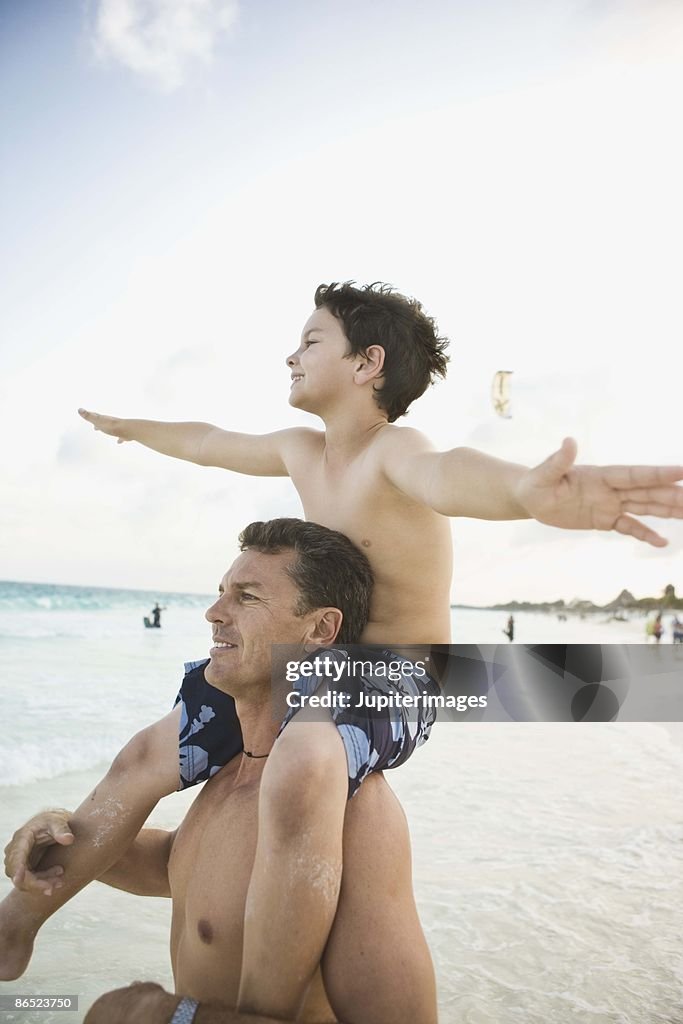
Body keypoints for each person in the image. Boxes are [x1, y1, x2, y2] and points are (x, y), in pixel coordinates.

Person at [5, 282, 683, 1017]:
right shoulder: (300, 450)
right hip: (302, 672)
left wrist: (525, 490)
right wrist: (134, 428)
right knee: (144, 754)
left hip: (391, 676)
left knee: (302, 758)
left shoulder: (396, 452)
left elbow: (452, 476)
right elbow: (207, 442)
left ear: (367, 364)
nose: (291, 355)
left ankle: (259, 1011)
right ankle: (18, 920)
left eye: (311, 341)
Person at [5, 519, 437, 1024]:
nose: (214, 614)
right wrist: (62, 835)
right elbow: (181, 866)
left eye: (247, 598)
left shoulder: (354, 809)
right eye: (220, 594)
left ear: (320, 629)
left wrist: (168, 1016)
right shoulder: (228, 777)